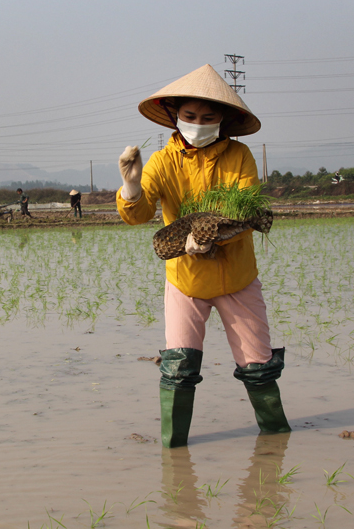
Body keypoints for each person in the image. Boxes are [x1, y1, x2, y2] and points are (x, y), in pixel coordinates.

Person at [117, 64, 291, 448]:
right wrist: (131, 188)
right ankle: (173, 450)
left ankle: (277, 443)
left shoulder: (239, 156)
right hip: (186, 279)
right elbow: (139, 215)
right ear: (175, 116)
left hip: (237, 277)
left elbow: (244, 212)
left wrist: (209, 238)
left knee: (259, 368)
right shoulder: (163, 162)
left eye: (208, 117)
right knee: (178, 367)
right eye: (190, 116)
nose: (198, 123)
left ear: (223, 119)